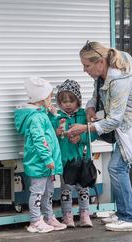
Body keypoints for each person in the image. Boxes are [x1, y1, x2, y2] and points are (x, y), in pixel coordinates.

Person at [65, 41, 132, 232]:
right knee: (117, 168)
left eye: (87, 66)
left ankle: (129, 218)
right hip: (126, 126)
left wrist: (86, 128)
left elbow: (115, 120)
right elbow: (97, 94)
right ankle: (122, 214)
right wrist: (91, 106)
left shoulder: (118, 80)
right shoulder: (103, 75)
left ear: (100, 62)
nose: (85, 70)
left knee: (117, 168)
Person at [14, 77, 67, 233]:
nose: (51, 99)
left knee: (48, 191)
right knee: (38, 192)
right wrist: (47, 158)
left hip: (46, 164)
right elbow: (39, 140)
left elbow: (49, 132)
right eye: (50, 96)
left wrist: (54, 114)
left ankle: (48, 217)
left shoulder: (41, 114)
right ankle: (35, 221)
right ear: (43, 98)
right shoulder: (36, 117)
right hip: (41, 162)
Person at [48, 79, 97, 228]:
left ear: (78, 100)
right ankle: (67, 215)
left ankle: (84, 213)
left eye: (71, 100)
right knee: (66, 189)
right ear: (59, 102)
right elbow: (48, 137)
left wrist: (81, 137)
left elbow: (93, 134)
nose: (67, 104)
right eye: (63, 101)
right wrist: (56, 133)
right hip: (66, 160)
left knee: (83, 188)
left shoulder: (83, 115)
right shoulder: (55, 118)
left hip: (83, 159)